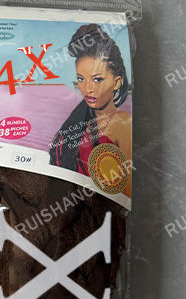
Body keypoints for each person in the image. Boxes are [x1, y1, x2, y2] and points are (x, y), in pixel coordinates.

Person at [49, 24, 132, 196]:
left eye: (97, 79)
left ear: (117, 82)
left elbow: (126, 196)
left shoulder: (124, 127)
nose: (88, 89)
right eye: (81, 79)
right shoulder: (77, 124)